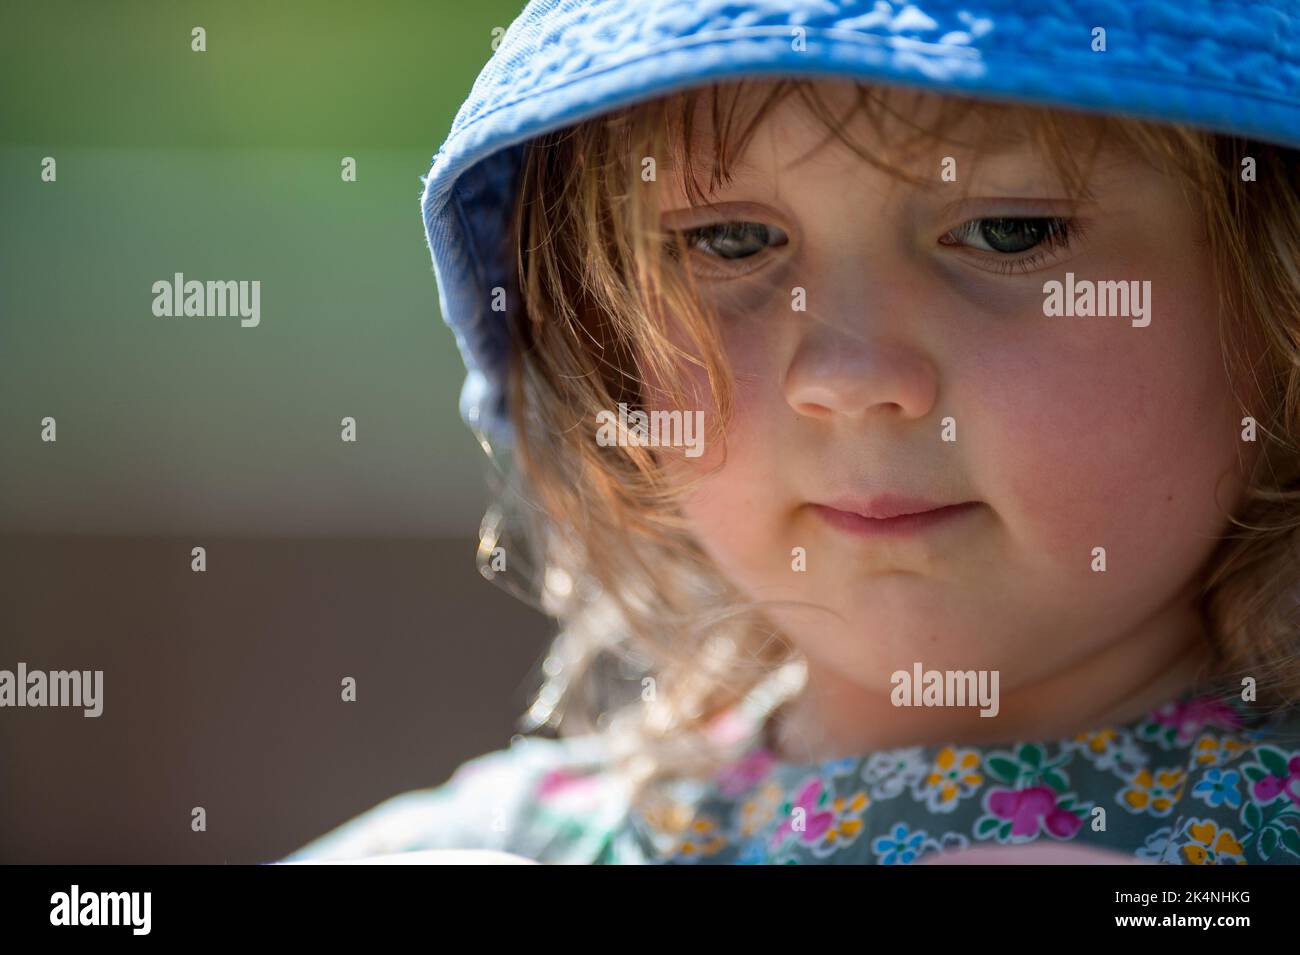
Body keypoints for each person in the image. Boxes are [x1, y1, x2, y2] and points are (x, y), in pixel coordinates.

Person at [281, 0, 1300, 865]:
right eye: (731, 240)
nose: (848, 378)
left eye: (1009, 230)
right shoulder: (523, 841)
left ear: (1274, 295)